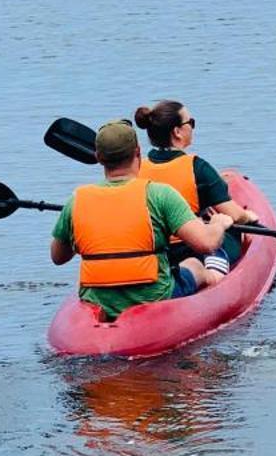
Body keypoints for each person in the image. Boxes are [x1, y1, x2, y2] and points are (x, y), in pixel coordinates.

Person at [50, 117, 228, 318]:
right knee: (194, 265)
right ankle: (215, 279)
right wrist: (218, 224)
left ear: (99, 157)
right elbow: (206, 243)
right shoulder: (160, 194)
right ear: (138, 153)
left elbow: (58, 257)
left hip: (98, 300)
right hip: (153, 297)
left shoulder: (77, 200)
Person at [134, 98, 255, 276]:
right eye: (190, 122)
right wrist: (249, 216)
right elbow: (235, 215)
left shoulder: (137, 169)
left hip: (156, 252)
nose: (192, 126)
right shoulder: (197, 167)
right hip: (192, 248)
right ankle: (215, 267)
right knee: (233, 230)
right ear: (177, 132)